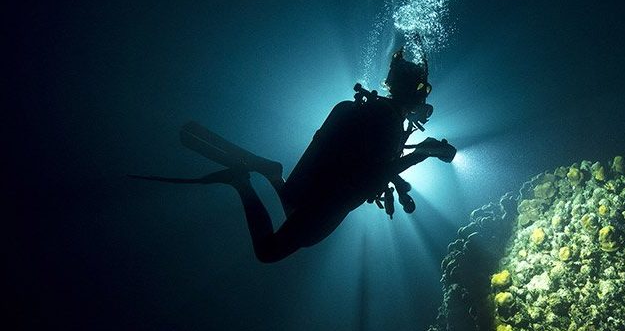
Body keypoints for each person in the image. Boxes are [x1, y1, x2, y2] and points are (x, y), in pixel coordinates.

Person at [132, 49, 455, 263]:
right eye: (423, 95)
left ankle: (271, 174)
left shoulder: (372, 112)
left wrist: (413, 159)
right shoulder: (387, 122)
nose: (423, 106)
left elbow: (365, 162)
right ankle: (242, 182)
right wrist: (420, 155)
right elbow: (372, 174)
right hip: (329, 201)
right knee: (269, 252)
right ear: (414, 93)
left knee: (290, 210)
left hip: (310, 189)